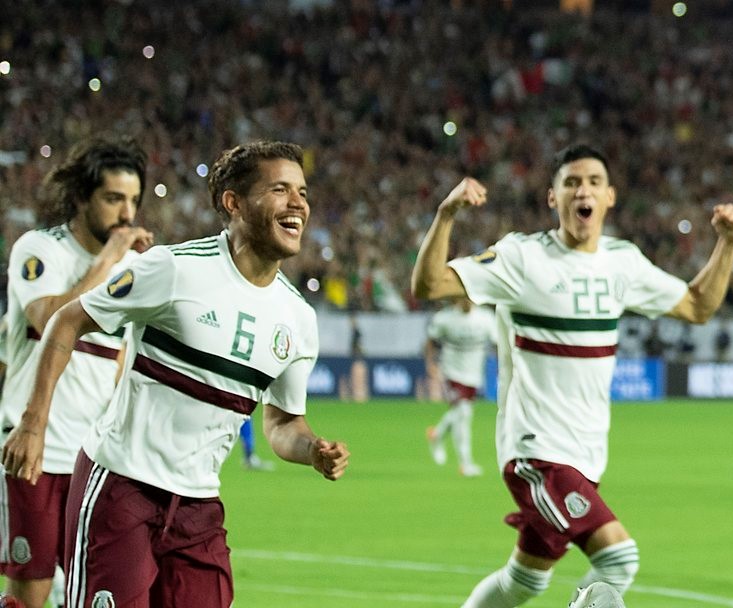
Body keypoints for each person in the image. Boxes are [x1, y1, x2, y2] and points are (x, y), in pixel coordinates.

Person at [1, 140, 350, 608]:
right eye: (280, 190)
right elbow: (66, 320)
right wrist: (32, 424)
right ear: (234, 203)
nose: (298, 204)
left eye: (303, 192)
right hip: (121, 486)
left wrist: (312, 450)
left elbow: (284, 423)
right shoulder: (173, 269)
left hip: (197, 507)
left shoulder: (298, 319)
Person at [412, 143, 733, 607]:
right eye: (570, 183)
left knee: (523, 582)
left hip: (587, 455)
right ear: (553, 198)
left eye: (592, 182)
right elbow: (429, 285)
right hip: (537, 451)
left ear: (609, 196)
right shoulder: (522, 258)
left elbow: (697, 305)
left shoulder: (622, 263)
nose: (581, 191)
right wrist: (446, 216)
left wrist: (727, 244)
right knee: (619, 559)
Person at [0, 135, 154, 608]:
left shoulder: (135, 267)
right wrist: (111, 259)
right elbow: (48, 321)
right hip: (35, 452)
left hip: (97, 462)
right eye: (113, 199)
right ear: (82, 198)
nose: (126, 214)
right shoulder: (40, 249)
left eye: (133, 200)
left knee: (95, 592)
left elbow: (124, 362)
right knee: (31, 592)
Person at [424, 297, 494, 477]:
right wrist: (430, 363)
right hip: (452, 372)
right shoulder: (445, 318)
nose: (467, 301)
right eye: (463, 297)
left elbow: (498, 343)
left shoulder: (486, 318)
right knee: (464, 413)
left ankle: (437, 435)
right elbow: (430, 341)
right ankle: (465, 463)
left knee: (462, 412)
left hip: (474, 373)